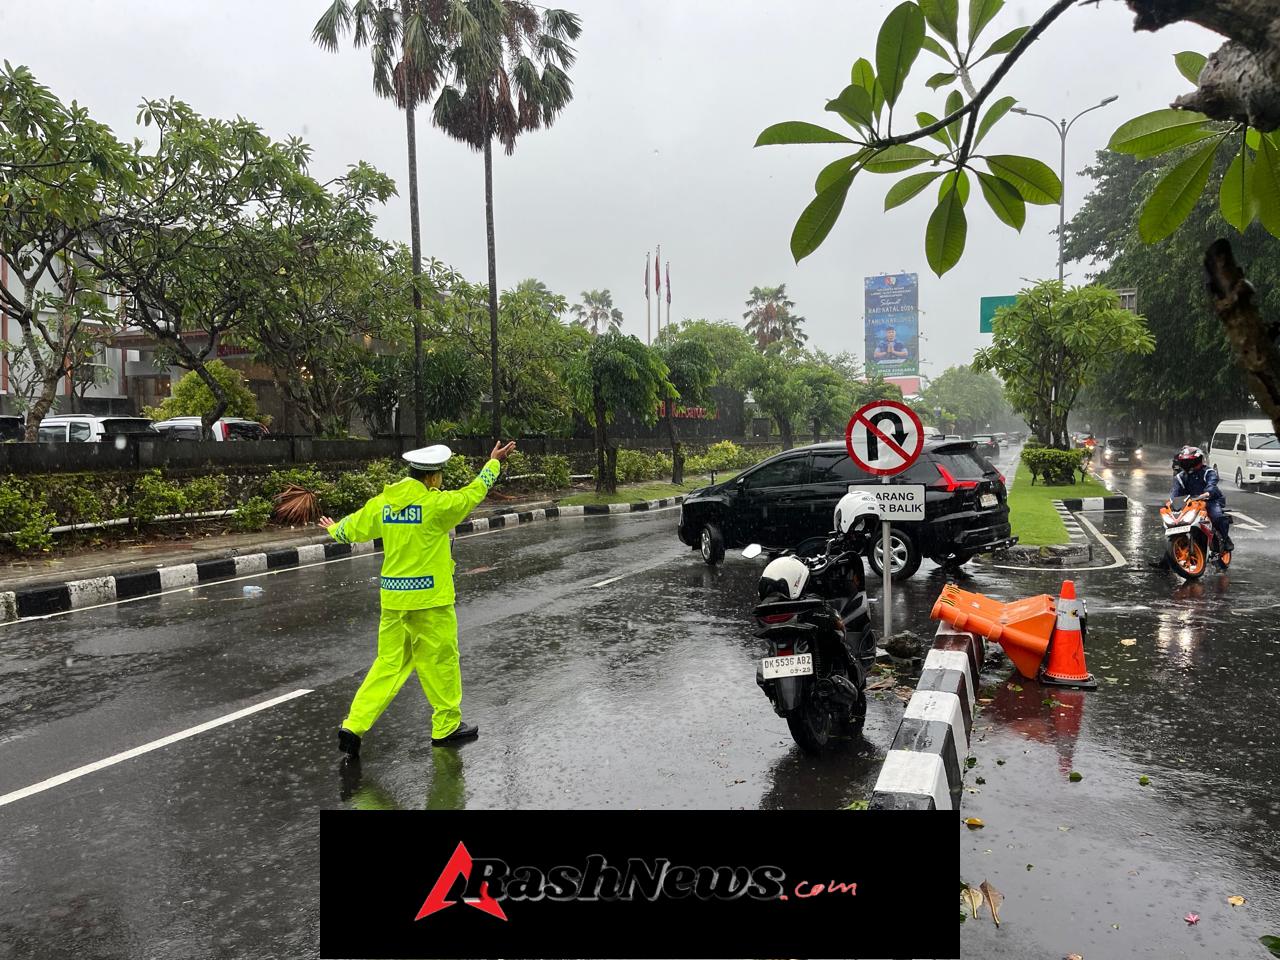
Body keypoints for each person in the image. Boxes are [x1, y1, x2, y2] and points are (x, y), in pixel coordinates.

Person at [320, 439, 516, 761]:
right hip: (430, 601)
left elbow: (354, 527)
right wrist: (493, 463)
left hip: (394, 601)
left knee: (388, 665)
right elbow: (473, 493)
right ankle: (446, 726)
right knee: (440, 662)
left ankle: (353, 726)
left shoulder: (384, 503)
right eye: (440, 476)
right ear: (433, 477)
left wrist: (335, 530)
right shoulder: (436, 507)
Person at [1170, 445, 1233, 552]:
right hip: (1191, 503)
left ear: (1198, 460)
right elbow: (1175, 493)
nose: (1187, 464)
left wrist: (1206, 494)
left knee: (1217, 516)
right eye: (1185, 462)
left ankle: (1225, 539)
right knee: (1172, 523)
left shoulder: (1208, 472)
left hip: (1211, 500)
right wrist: (1172, 503)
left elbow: (1212, 484)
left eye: (1190, 461)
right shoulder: (1180, 477)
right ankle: (1167, 559)